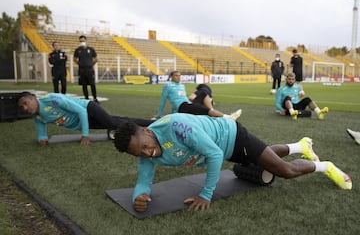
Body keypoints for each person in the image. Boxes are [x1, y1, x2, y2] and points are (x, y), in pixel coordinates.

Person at [113, 113, 352, 212]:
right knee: (263, 156)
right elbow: (144, 180)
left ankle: (326, 166)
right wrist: (139, 196)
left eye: (146, 146)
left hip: (232, 137)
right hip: (226, 150)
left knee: (284, 170)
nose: (149, 154)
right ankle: (301, 146)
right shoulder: (143, 154)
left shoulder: (176, 127)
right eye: (140, 154)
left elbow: (215, 155)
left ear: (146, 130)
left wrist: (206, 194)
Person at [17, 92, 153, 146]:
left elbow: (81, 110)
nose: (24, 108)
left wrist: (85, 135)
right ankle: (148, 124)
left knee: (112, 123)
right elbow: (41, 129)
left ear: (33, 98)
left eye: (25, 103)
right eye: (21, 107)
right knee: (117, 122)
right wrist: (42, 138)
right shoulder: (37, 116)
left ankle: (150, 125)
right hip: (83, 121)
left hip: (88, 108)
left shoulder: (53, 100)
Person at [154, 71, 241, 120]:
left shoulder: (181, 85)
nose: (179, 77)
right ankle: (228, 117)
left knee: (203, 93)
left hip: (188, 104)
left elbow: (179, 98)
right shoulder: (168, 86)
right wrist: (159, 115)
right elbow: (163, 101)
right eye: (176, 76)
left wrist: (174, 113)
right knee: (204, 111)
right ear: (171, 77)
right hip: (182, 106)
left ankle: (212, 110)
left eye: (180, 76)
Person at [73, 35, 98, 102]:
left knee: (92, 84)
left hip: (89, 69)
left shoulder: (91, 49)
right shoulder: (77, 50)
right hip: (82, 70)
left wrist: (91, 64)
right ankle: (86, 98)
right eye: (81, 41)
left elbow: (95, 59)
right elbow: (75, 59)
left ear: (86, 41)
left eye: (83, 41)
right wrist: (80, 64)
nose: (82, 42)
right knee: (84, 85)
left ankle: (95, 98)